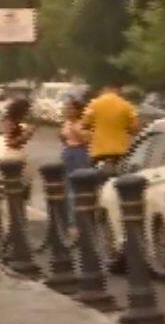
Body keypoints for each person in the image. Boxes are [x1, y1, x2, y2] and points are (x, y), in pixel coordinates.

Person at [83, 83, 139, 174]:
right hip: (120, 151)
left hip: (99, 151)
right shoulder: (127, 106)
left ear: (105, 89)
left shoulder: (94, 104)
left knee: (95, 179)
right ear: (118, 90)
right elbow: (134, 128)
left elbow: (85, 124)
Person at [59, 97, 92, 226]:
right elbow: (63, 136)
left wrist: (75, 130)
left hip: (80, 152)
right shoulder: (66, 122)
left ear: (78, 110)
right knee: (66, 184)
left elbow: (86, 140)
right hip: (68, 151)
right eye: (67, 108)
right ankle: (68, 219)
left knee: (78, 185)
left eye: (71, 108)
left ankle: (79, 219)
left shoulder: (82, 123)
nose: (68, 110)